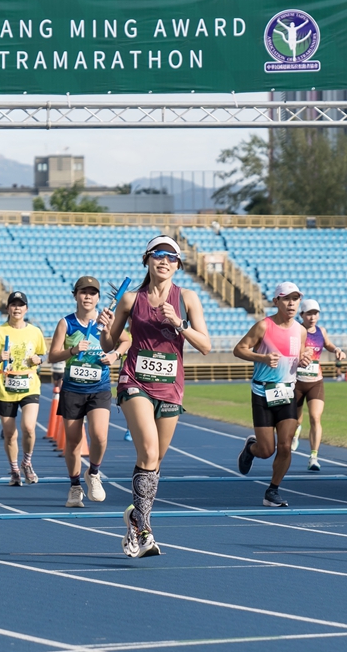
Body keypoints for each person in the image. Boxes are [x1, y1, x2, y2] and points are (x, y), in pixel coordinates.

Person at [98, 235, 210, 558]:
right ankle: (144, 529)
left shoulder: (187, 298)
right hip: (135, 381)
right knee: (147, 450)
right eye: (158, 255)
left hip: (171, 387)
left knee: (155, 461)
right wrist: (106, 329)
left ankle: (135, 517)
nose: (164, 261)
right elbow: (109, 344)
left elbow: (205, 345)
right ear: (147, 260)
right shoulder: (131, 300)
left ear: (178, 265)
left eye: (171, 257)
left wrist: (180, 324)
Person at [48, 275, 131, 508]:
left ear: (98, 297)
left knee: (100, 436)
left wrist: (114, 355)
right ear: (75, 295)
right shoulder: (66, 323)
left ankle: (93, 473)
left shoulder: (106, 320)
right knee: (74, 442)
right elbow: (52, 356)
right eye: (83, 292)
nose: (87, 296)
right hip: (73, 389)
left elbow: (126, 341)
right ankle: (75, 486)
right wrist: (73, 350)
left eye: (92, 293)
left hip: (99, 388)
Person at [234, 282, 309, 507]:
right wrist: (263, 358)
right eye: (286, 299)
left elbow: (300, 354)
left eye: (295, 299)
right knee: (267, 450)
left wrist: (304, 360)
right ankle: (251, 448)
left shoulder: (300, 330)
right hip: (262, 391)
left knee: (286, 445)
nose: (291, 303)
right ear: (276, 301)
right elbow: (239, 349)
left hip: (287, 391)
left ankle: (272, 490)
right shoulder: (263, 326)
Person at [0, 291, 47, 486]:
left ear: (26, 309)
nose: (17, 308)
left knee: (29, 427)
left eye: (21, 305)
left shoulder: (35, 332)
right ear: (8, 308)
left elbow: (43, 355)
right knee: (10, 434)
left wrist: (39, 360)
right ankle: (14, 470)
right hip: (6, 388)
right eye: (13, 304)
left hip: (29, 385)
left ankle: (26, 463)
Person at [294, 299, 345, 472]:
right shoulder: (296, 330)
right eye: (309, 314)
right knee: (296, 419)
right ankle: (296, 430)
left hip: (315, 381)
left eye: (315, 313)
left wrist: (336, 349)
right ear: (302, 315)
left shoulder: (321, 331)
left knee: (315, 417)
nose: (312, 317)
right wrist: (301, 354)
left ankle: (313, 457)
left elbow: (328, 344)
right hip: (297, 381)